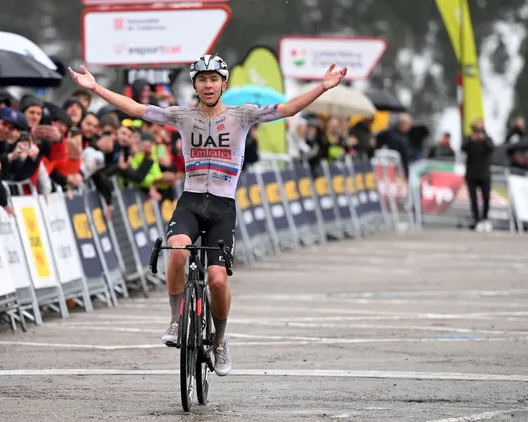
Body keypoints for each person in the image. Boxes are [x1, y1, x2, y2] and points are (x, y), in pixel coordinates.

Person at [69, 55, 347, 377]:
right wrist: (96, 88)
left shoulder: (242, 116)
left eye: (214, 79)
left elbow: (286, 110)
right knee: (175, 252)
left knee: (217, 280)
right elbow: (135, 109)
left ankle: (220, 341)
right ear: (195, 85)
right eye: (202, 80)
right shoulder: (181, 116)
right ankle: (175, 321)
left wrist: (322, 88)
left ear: (223, 84)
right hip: (189, 201)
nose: (208, 84)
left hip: (222, 208)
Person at [461, 119, 495, 232]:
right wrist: (471, 140)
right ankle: (476, 219)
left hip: (484, 174)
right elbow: (463, 148)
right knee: (473, 199)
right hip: (471, 175)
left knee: (486, 197)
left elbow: (492, 148)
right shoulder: (469, 139)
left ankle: (485, 218)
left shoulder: (487, 139)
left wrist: (483, 139)